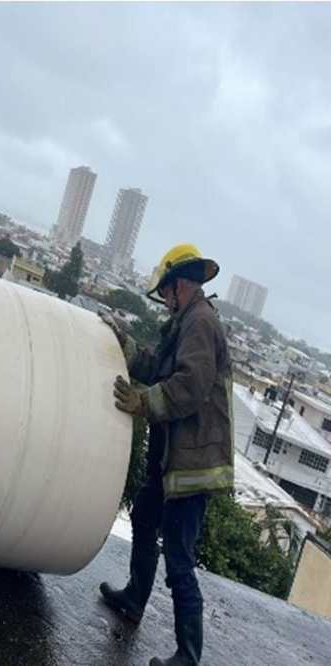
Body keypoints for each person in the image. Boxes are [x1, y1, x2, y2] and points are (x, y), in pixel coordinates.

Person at [99, 244, 234, 666]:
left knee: (178, 557)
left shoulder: (201, 324)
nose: (164, 300)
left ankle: (188, 656)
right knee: (144, 517)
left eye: (165, 292)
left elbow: (190, 387)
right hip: (170, 457)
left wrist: (143, 402)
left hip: (192, 464)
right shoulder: (183, 323)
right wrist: (125, 345)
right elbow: (159, 368)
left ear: (179, 285)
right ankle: (134, 598)